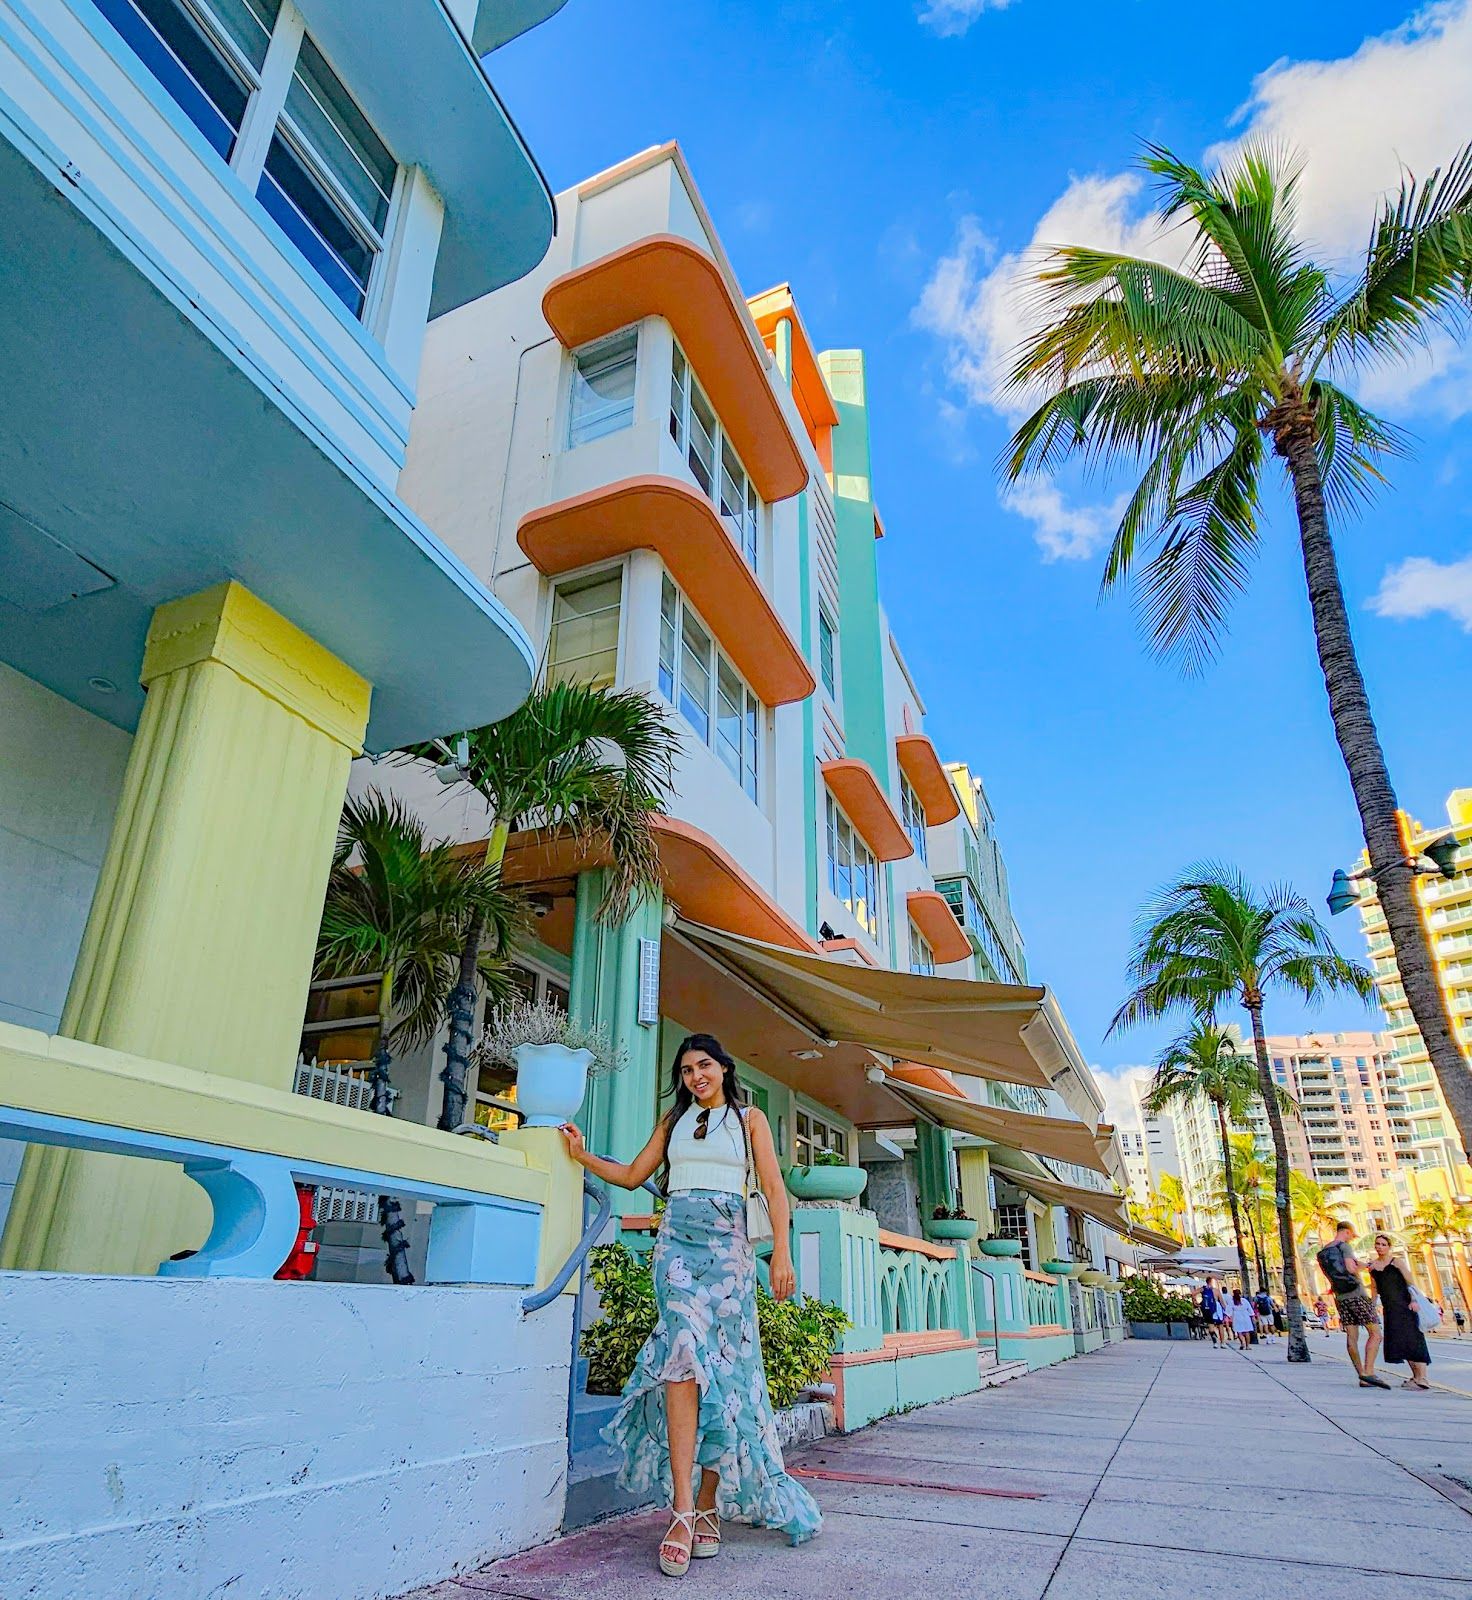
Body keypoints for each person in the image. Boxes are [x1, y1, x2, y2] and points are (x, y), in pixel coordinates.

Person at [560, 1033, 820, 1575]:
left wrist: (781, 1256)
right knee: (681, 1359)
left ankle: (708, 1503)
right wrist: (582, 1155)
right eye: (685, 1070)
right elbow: (634, 1176)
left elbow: (774, 1190)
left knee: (721, 1378)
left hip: (729, 1256)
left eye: (704, 1066)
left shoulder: (750, 1121)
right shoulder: (671, 1123)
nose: (695, 1076)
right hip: (676, 1250)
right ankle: (681, 1511)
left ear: (724, 1068)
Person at [1316, 1221, 1390, 1389]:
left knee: (1351, 1336)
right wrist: (1365, 1267)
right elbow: (1350, 1268)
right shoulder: (1344, 1247)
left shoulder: (1324, 1251)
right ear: (1347, 1232)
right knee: (1375, 1334)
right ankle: (1368, 1372)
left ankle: (1361, 1373)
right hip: (1356, 1294)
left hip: (1340, 1297)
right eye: (1351, 1235)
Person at [1368, 1234, 1432, 1391]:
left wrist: (1414, 1300)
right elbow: (1375, 1288)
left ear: (1389, 1246)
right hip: (1390, 1309)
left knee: (1414, 1338)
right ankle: (1416, 1377)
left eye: (1383, 1244)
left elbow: (1410, 1281)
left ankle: (1422, 1377)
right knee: (1401, 1341)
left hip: (1406, 1305)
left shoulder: (1396, 1262)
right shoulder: (1373, 1266)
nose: (1380, 1247)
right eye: (1378, 1244)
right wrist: (1372, 1305)